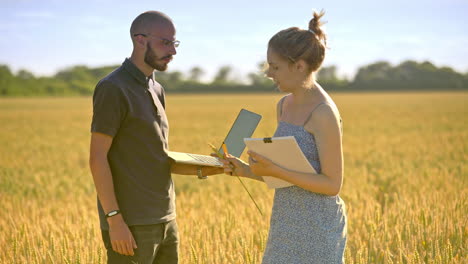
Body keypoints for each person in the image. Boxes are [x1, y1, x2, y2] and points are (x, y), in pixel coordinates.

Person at [89, 11, 221, 264]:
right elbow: (97, 157)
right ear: (140, 40)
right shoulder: (113, 88)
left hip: (166, 219)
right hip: (132, 224)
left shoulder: (156, 88)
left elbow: (156, 158)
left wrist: (212, 168)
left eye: (175, 43)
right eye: (165, 42)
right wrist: (114, 219)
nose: (173, 51)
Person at [221, 10, 347, 263]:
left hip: (318, 227)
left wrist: (277, 171)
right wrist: (245, 170)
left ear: (299, 66)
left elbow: (332, 185)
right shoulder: (283, 105)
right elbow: (289, 173)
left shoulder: (323, 113)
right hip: (286, 221)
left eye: (275, 66)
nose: (269, 73)